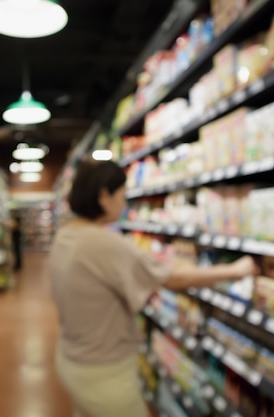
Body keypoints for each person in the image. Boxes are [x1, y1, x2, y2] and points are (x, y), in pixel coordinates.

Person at [48, 160, 259, 417]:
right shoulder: (102, 243)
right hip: (103, 371)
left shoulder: (65, 235)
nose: (125, 205)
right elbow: (171, 278)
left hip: (72, 358)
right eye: (123, 196)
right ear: (104, 196)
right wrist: (235, 270)